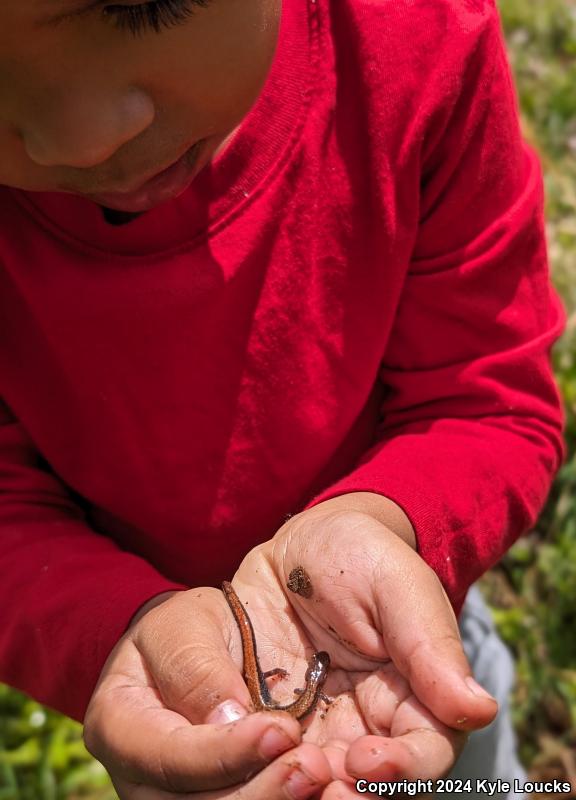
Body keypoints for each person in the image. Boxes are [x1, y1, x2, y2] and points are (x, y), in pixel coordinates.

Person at [0, 0, 564, 798]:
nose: (85, 137)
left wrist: (381, 521)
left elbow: (490, 404)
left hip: (398, 626)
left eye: (144, 7)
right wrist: (115, 632)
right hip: (176, 678)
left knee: (458, 739)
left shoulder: (419, 42)